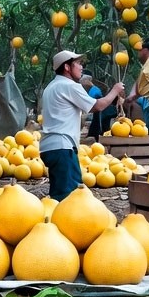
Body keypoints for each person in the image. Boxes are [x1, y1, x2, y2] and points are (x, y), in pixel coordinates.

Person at [41, 51, 124, 200]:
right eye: (78, 64)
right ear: (67, 67)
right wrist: (115, 90)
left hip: (49, 147)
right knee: (69, 197)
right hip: (62, 147)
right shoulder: (69, 86)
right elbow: (97, 106)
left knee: (58, 194)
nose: (81, 67)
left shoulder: (51, 87)